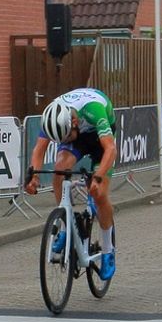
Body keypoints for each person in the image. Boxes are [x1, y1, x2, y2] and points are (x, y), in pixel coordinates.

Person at [24, 88, 120, 281]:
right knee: (60, 167)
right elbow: (39, 150)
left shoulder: (94, 109)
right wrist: (33, 176)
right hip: (77, 135)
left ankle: (108, 251)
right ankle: (66, 223)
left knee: (99, 194)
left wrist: (98, 176)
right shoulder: (53, 115)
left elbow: (110, 149)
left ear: (74, 123)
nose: (62, 142)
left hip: (99, 139)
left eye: (64, 137)